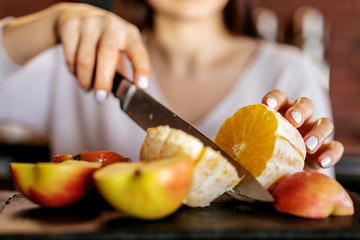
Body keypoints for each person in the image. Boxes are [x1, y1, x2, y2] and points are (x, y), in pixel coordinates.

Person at [0, 1, 343, 176]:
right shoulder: (81, 60)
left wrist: (300, 182)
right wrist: (54, 21)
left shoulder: (290, 72)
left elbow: (320, 204)